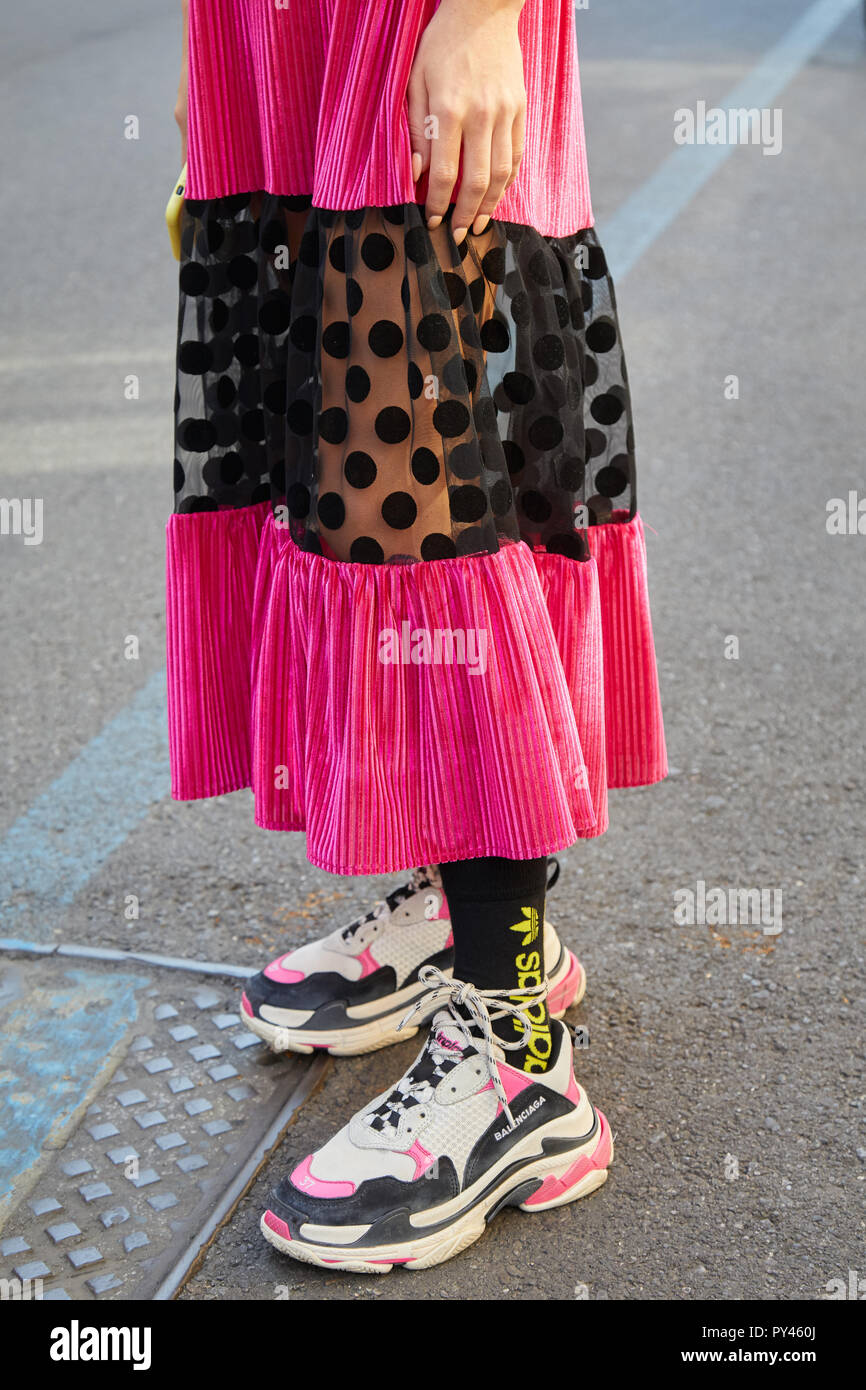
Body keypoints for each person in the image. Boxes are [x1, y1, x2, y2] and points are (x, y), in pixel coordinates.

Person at [168, 0, 667, 1272]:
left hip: (404, 23)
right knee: (343, 461)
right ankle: (472, 913)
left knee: (426, 503)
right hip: (283, 42)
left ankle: (518, 1069)